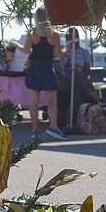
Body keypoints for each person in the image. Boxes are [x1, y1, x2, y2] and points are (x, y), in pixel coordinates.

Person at [19, 8, 67, 141]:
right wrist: (66, 47)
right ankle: (53, 127)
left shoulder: (32, 33)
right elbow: (59, 55)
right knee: (52, 102)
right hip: (47, 67)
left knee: (33, 102)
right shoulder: (55, 35)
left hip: (34, 67)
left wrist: (15, 45)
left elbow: (26, 50)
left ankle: (35, 131)